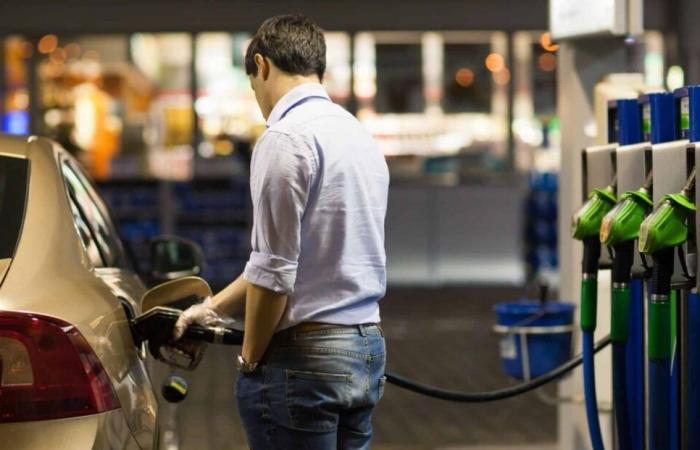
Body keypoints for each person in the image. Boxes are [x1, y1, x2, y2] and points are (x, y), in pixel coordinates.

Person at [173, 14, 390, 450]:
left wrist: (251, 361)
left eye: (252, 84)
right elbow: (287, 261)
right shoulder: (357, 135)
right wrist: (211, 308)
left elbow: (275, 274)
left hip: (303, 360)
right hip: (366, 349)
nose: (257, 98)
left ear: (262, 65)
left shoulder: (285, 137)